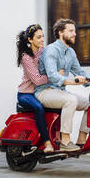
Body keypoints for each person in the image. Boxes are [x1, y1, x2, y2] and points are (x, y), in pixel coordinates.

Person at [35, 19, 90, 152]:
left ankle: (82, 139)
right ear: (60, 32)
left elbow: (80, 72)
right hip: (44, 91)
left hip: (59, 91)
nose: (75, 34)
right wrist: (73, 81)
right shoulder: (51, 50)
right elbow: (53, 76)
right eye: (71, 31)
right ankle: (65, 141)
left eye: (74, 31)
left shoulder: (70, 52)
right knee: (71, 100)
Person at [16, 24, 57, 153]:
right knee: (39, 107)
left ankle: (57, 138)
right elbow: (37, 80)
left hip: (39, 91)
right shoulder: (26, 57)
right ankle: (46, 142)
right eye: (38, 37)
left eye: (43, 36)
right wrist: (52, 77)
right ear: (30, 40)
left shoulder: (42, 51)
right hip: (26, 94)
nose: (42, 39)